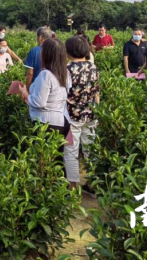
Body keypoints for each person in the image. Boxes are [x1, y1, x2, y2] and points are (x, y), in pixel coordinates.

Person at [20, 38, 71, 166]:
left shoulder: (46, 75)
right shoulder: (64, 72)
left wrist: (25, 94)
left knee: (45, 163)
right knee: (57, 162)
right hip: (61, 120)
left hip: (47, 124)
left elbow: (39, 102)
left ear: (47, 54)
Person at [63, 36, 100, 190]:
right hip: (91, 114)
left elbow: (63, 93)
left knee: (71, 150)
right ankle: (93, 183)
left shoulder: (67, 69)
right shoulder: (93, 67)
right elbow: (96, 93)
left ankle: (72, 185)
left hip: (72, 116)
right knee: (90, 148)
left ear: (68, 51)